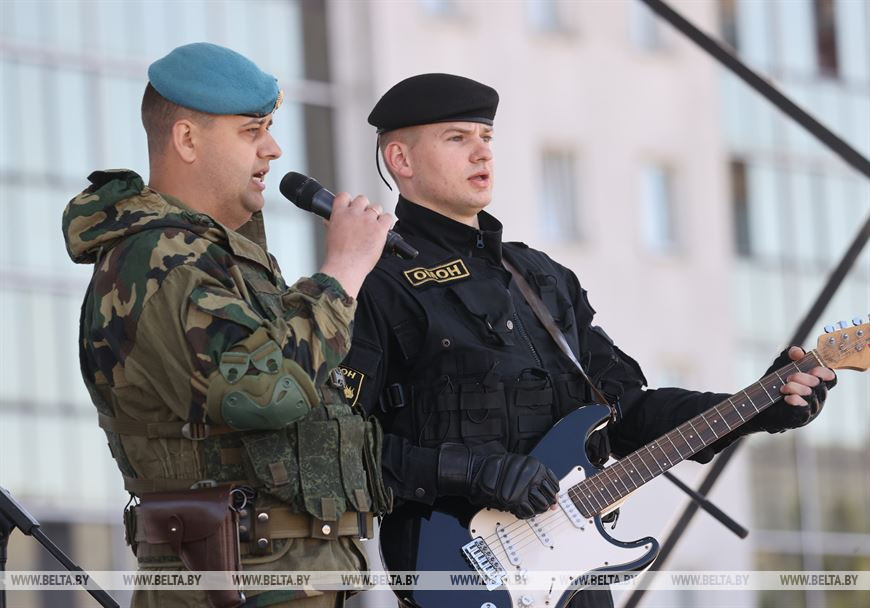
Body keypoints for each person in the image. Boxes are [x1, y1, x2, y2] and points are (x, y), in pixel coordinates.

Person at [339, 73, 837, 608]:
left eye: (486, 137)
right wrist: (475, 472)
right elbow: (335, 446)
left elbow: (628, 412)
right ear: (401, 159)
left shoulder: (541, 278)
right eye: (457, 138)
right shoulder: (370, 281)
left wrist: (758, 405)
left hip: (576, 580)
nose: (481, 152)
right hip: (460, 575)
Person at [62, 42, 394, 608]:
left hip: (275, 578)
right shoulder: (161, 260)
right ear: (187, 139)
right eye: (251, 131)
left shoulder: (212, 258)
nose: (273, 149)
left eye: (269, 129)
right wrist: (340, 273)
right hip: (235, 583)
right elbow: (265, 394)